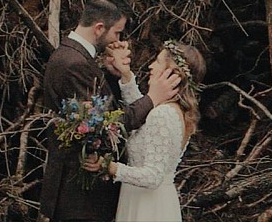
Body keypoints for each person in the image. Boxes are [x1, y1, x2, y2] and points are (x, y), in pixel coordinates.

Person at [39, 0, 181, 222]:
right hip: (79, 198)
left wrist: (114, 76)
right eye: (116, 31)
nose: (117, 39)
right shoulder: (74, 64)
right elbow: (107, 127)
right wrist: (152, 99)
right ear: (98, 27)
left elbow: (100, 107)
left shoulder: (75, 57)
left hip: (80, 195)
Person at [84, 40, 207, 222]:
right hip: (151, 199)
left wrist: (110, 167)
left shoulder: (162, 114)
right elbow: (144, 121)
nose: (150, 66)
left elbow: (153, 176)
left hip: (147, 206)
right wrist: (126, 76)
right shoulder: (172, 110)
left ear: (170, 73)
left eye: (157, 61)